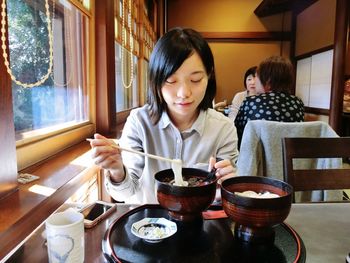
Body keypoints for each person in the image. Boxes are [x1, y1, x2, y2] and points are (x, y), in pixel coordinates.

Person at [89, 27, 239, 204]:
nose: (184, 93)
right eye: (171, 81)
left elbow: (222, 197)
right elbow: (125, 194)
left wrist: (227, 185)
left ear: (209, 76)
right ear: (156, 81)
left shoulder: (223, 128)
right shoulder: (139, 122)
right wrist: (116, 170)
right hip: (148, 224)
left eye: (196, 80)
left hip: (199, 222)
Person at [234, 55, 304, 149]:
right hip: (289, 160)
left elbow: (237, 134)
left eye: (257, 77)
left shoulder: (250, 102)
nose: (254, 82)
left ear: (268, 81)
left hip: (256, 160)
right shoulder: (298, 103)